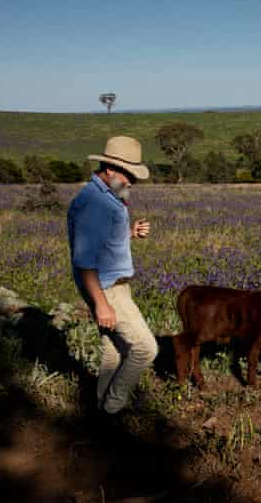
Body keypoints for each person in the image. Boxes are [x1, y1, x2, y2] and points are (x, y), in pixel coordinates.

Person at [67, 136, 157, 416]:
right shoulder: (97, 203)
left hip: (110, 284)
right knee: (145, 348)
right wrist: (101, 303)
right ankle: (113, 406)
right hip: (106, 289)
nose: (132, 182)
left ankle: (99, 406)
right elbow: (84, 260)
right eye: (128, 175)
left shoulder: (108, 196)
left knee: (114, 349)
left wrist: (129, 233)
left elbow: (101, 241)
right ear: (109, 169)